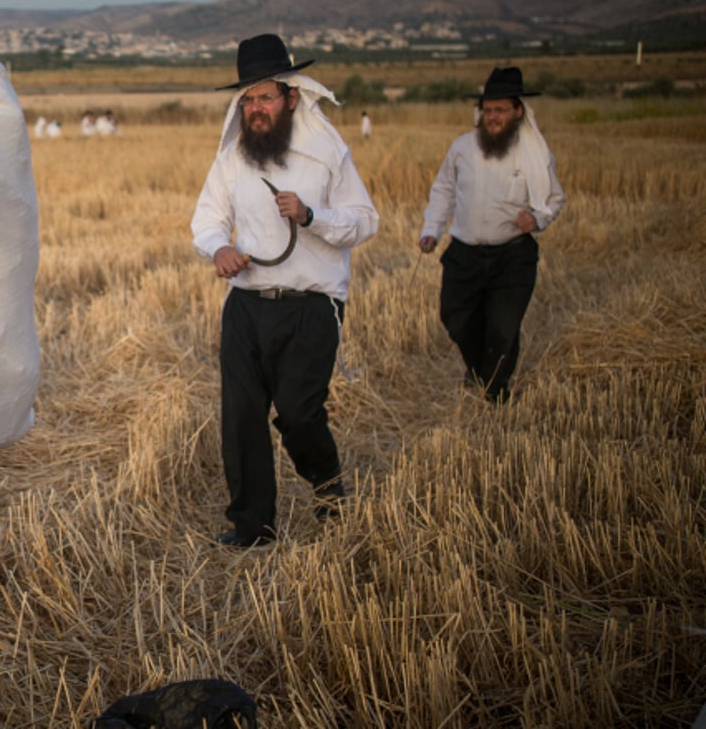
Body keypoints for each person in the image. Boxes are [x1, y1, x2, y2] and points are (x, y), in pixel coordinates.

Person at [191, 34, 379, 548]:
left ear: (291, 97)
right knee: (243, 416)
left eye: (265, 97)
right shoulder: (233, 157)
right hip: (247, 305)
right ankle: (253, 526)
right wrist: (217, 250)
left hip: (312, 305)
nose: (256, 108)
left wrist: (311, 216)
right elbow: (206, 220)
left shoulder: (327, 153)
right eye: (248, 100)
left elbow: (365, 222)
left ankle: (326, 485)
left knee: (299, 414)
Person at [418, 66, 566, 403]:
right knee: (455, 319)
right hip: (464, 253)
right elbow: (443, 190)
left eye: (500, 109)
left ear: (518, 111)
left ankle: (495, 393)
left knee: (503, 329)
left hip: (512, 257)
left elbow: (555, 199)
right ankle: (479, 371)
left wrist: (538, 218)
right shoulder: (462, 148)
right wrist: (431, 229)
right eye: (488, 110)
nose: (493, 117)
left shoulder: (535, 155)